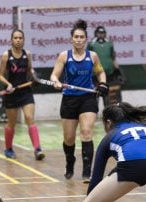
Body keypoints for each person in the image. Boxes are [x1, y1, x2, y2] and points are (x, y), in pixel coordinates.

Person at [50, 19, 109, 182]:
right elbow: (54, 74)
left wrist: (102, 83)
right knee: (69, 138)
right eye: (76, 37)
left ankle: (87, 171)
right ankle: (70, 162)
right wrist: (56, 81)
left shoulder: (93, 56)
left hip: (88, 99)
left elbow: (100, 73)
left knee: (86, 133)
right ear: (71, 39)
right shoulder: (64, 56)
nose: (78, 39)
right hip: (69, 99)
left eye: (81, 37)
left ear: (86, 39)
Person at [0, 29, 45, 160]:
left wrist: (34, 77)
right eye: (15, 38)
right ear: (11, 40)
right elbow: (0, 75)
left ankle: (37, 149)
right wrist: (8, 84)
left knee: (29, 117)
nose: (18, 40)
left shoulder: (27, 54)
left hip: (25, 92)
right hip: (11, 93)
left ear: (23, 40)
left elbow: (30, 70)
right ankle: (8, 149)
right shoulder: (6, 55)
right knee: (11, 123)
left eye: (20, 38)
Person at [87, 26, 125, 107]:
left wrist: (118, 70)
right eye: (99, 33)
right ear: (96, 33)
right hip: (95, 75)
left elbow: (113, 57)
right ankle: (93, 112)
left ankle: (107, 111)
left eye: (103, 33)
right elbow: (88, 58)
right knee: (95, 94)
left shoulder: (109, 44)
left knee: (108, 95)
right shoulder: (91, 44)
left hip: (109, 74)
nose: (101, 35)